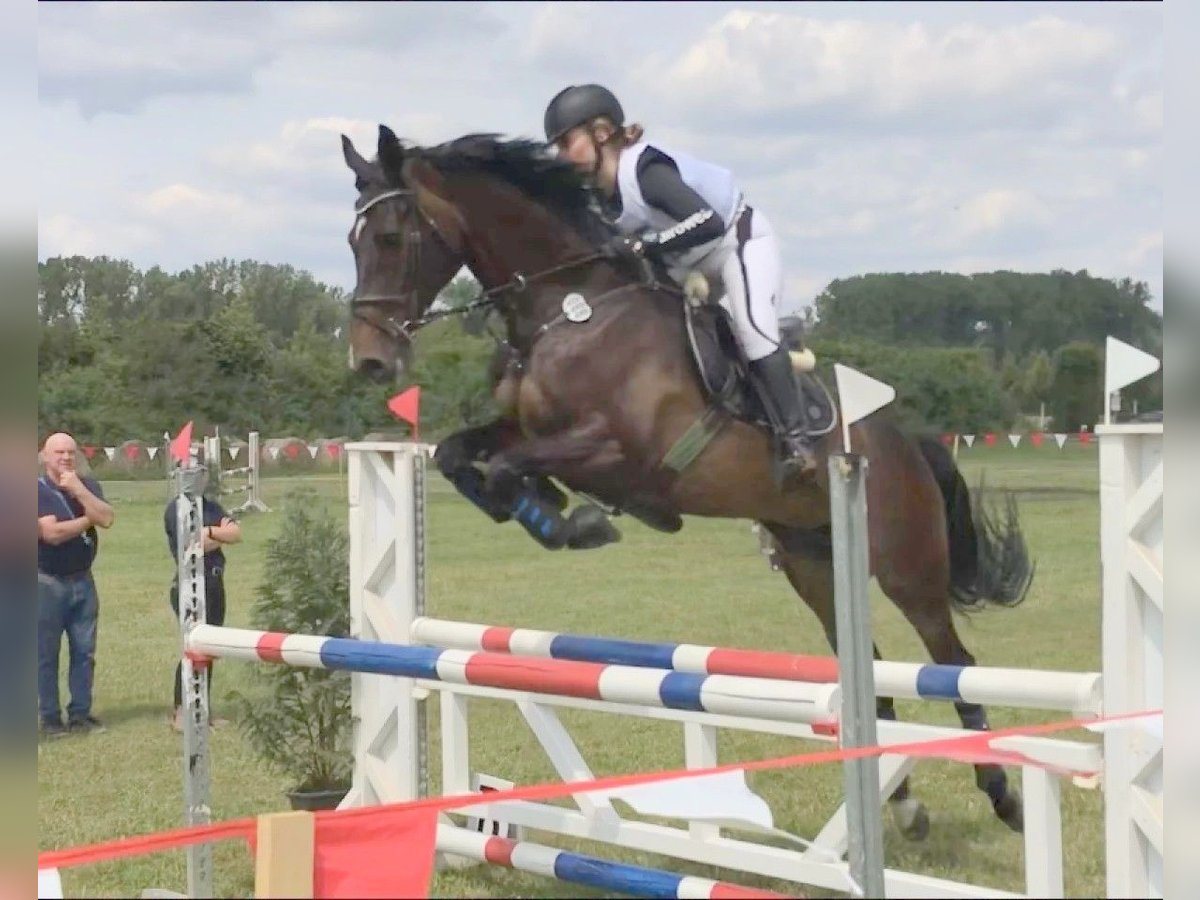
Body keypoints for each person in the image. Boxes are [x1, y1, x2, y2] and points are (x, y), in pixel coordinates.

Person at [543, 84, 818, 479]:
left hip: (736, 243)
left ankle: (797, 441)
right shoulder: (599, 195)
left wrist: (644, 245)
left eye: (566, 143)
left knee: (753, 334)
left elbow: (708, 222)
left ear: (600, 133)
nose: (560, 155)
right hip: (687, 265)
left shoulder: (645, 170)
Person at [37, 432, 115, 737]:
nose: (66, 458)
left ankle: (80, 714)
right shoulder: (35, 491)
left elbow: (107, 518)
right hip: (46, 582)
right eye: (59, 452)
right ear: (44, 456)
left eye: (71, 452)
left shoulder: (87, 485)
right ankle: (50, 718)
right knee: (46, 653)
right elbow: (51, 534)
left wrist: (78, 490)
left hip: (83, 579)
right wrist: (87, 520)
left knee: (85, 652)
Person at [164, 468, 241, 732]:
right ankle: (181, 712)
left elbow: (236, 534)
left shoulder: (211, 506)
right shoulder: (176, 509)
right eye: (190, 473)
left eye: (201, 473)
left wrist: (207, 532)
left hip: (215, 582)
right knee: (193, 647)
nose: (197, 478)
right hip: (189, 584)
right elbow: (190, 544)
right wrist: (217, 533)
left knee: (210, 648)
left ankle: (202, 710)